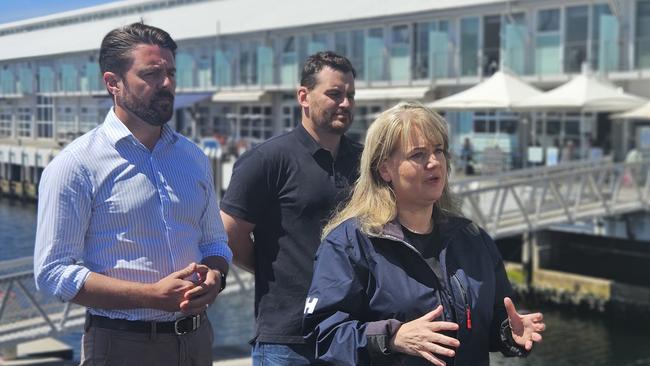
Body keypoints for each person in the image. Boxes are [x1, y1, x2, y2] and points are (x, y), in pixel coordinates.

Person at [33, 23, 232, 366]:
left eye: (170, 72)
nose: (167, 83)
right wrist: (151, 297)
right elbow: (53, 271)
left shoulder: (193, 157)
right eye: (152, 74)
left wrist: (216, 276)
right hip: (122, 346)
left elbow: (215, 243)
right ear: (112, 83)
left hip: (197, 341)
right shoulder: (76, 164)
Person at [303, 101, 545, 365]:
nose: (433, 162)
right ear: (385, 169)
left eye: (438, 151)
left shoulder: (473, 240)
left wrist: (509, 334)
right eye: (418, 154)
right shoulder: (350, 244)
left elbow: (493, 320)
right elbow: (323, 334)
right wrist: (393, 338)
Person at [220, 51, 361, 365]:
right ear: (304, 96)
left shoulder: (365, 162)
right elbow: (229, 232)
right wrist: (270, 267)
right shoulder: (268, 160)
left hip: (353, 331)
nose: (346, 104)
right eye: (335, 94)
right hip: (288, 338)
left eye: (350, 95)